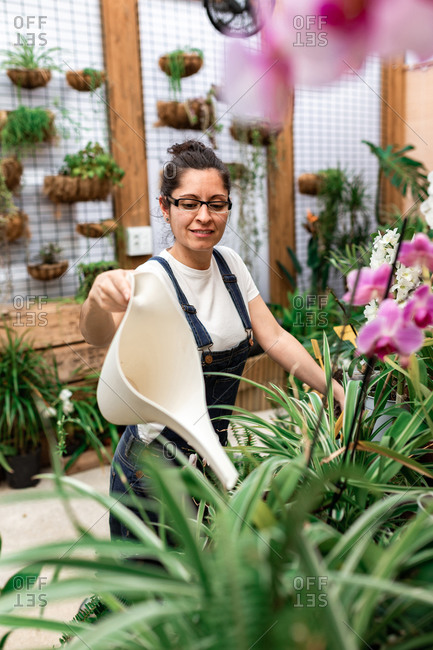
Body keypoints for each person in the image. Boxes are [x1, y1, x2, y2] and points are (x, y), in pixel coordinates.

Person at [80, 140, 345, 540]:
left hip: (210, 452)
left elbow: (273, 337)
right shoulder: (153, 281)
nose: (204, 216)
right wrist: (97, 297)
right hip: (152, 466)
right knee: (153, 582)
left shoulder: (231, 265)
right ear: (165, 207)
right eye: (189, 203)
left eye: (216, 204)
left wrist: (337, 390)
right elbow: (97, 335)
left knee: (205, 572)